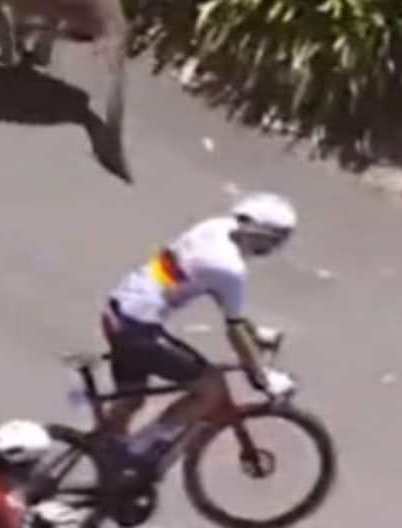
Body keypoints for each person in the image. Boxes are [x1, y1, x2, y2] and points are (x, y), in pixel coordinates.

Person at [98, 193, 298, 474]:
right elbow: (234, 328)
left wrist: (254, 333)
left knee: (131, 399)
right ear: (258, 233)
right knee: (210, 387)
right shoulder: (230, 268)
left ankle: (98, 457)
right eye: (275, 239)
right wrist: (263, 378)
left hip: (118, 309)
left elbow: (222, 300)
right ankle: (142, 446)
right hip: (137, 327)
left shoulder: (215, 227)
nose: (275, 247)